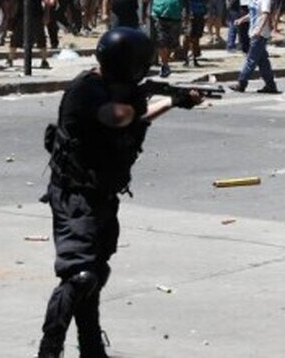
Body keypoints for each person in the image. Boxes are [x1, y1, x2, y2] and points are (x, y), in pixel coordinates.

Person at [36, 28, 203, 358]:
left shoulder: (117, 90)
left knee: (96, 274)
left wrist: (173, 99)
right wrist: (152, 98)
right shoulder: (86, 90)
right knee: (80, 275)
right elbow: (119, 118)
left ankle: (92, 348)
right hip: (75, 195)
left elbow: (133, 119)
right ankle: (49, 349)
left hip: (101, 194)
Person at [231, 0, 280, 94]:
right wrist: (241, 20)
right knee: (263, 62)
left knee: (251, 59)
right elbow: (253, 14)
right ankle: (270, 85)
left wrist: (258, 30)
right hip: (253, 32)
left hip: (259, 34)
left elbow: (265, 14)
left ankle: (241, 83)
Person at [146, 0, 185, 78]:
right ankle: (165, 65)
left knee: (172, 44)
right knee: (162, 41)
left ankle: (165, 61)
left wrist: (187, 15)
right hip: (159, 16)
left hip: (175, 17)